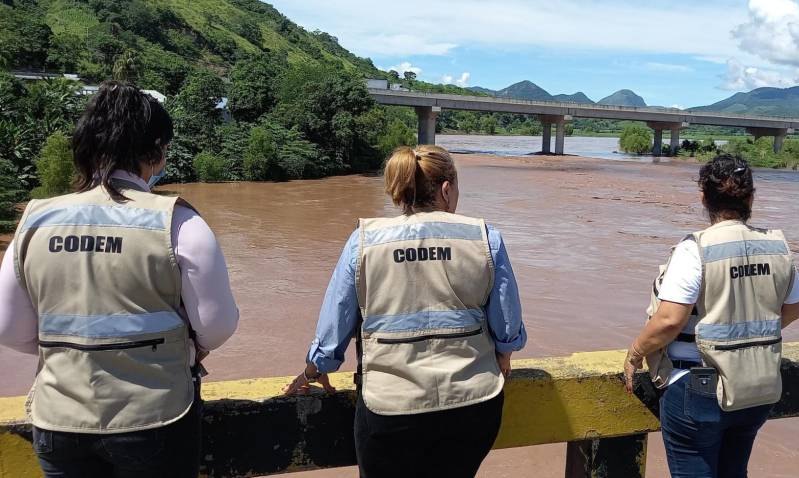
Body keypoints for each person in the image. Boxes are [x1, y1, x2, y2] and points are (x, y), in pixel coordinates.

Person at [0, 81, 239, 478]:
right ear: (158, 151)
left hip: (59, 417)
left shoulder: (35, 219)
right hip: (155, 417)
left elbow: (8, 328)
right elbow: (216, 327)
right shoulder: (179, 222)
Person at [283, 144, 527, 478]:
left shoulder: (364, 241)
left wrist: (316, 369)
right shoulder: (486, 238)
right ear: (446, 188)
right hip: (473, 406)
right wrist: (505, 354)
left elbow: (337, 319)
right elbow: (507, 324)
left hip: (390, 408)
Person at [623, 154, 799, 478]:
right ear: (751, 197)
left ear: (703, 197)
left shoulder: (696, 249)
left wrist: (635, 353)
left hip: (698, 388)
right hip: (756, 388)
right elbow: (792, 310)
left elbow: (668, 321)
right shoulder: (777, 246)